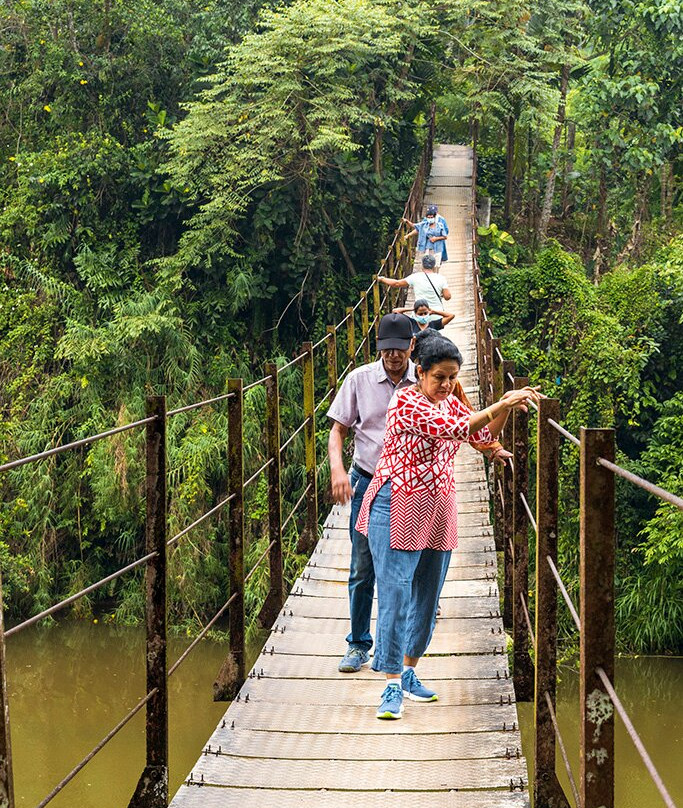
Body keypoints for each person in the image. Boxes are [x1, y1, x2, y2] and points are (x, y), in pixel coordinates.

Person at [355, 330, 541, 719]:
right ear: (419, 372)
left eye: (453, 377)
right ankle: (389, 685)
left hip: (439, 506)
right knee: (395, 593)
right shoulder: (405, 401)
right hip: (397, 504)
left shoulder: (451, 402)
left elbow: (482, 434)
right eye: (439, 376)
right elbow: (454, 430)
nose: (447, 384)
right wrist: (501, 401)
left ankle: (408, 672)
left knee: (428, 596)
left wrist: (501, 413)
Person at [327, 313, 417, 673]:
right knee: (363, 566)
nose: (393, 356)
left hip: (410, 486)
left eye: (400, 348)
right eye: (387, 349)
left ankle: (400, 648)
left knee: (405, 569)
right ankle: (358, 644)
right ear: (378, 347)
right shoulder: (359, 380)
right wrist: (337, 470)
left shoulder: (425, 380)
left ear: (412, 345)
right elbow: (338, 431)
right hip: (366, 480)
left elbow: (454, 419)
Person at [378, 254, 450, 313]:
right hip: (437, 313)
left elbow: (396, 284)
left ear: (422, 265)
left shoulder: (415, 277)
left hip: (420, 313)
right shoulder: (441, 278)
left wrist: (382, 279)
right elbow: (447, 297)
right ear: (434, 266)